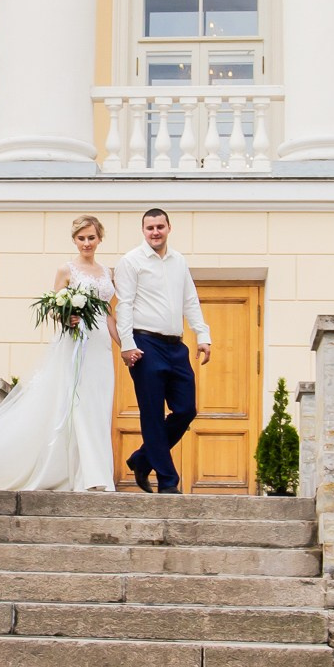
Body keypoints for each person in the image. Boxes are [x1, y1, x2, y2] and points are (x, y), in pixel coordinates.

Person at [0, 215, 119, 492]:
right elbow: (54, 306)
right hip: (76, 343)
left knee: (99, 405)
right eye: (81, 238)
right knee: (79, 404)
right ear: (74, 240)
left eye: (91, 238)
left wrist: (124, 346)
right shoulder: (66, 269)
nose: (87, 243)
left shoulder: (107, 272)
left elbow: (109, 314)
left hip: (100, 345)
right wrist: (67, 318)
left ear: (100, 238)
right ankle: (92, 478)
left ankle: (92, 472)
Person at [115, 208, 210, 495]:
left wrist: (202, 335)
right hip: (145, 345)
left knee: (185, 410)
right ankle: (168, 482)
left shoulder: (178, 261)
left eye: (160, 226)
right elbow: (124, 305)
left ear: (169, 227)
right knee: (153, 414)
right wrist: (127, 344)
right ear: (143, 231)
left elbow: (190, 300)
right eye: (149, 228)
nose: (155, 232)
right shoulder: (131, 262)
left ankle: (142, 459)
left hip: (176, 346)